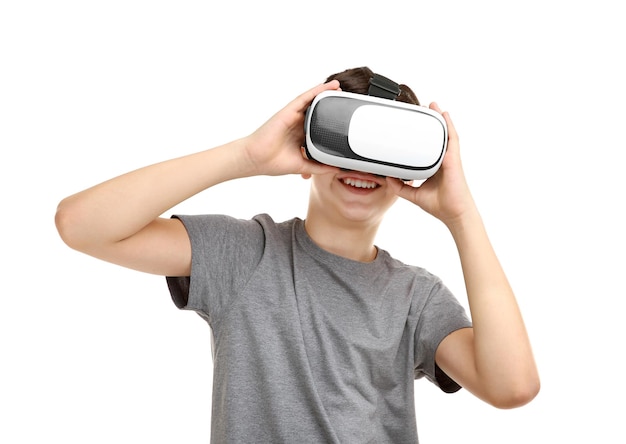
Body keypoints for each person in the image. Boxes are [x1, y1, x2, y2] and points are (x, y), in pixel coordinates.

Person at [55, 66, 540, 443]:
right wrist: (247, 156)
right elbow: (81, 225)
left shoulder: (416, 297)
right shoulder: (245, 255)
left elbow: (512, 386)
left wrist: (461, 215)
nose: (362, 167)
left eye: (383, 151)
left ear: (408, 172)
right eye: (345, 143)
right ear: (310, 149)